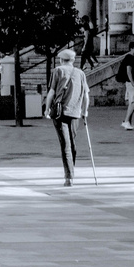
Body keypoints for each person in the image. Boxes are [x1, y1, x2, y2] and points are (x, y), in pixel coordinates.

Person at [43, 48, 91, 186]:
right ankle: (71, 171)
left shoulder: (58, 71)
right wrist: (85, 111)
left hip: (60, 112)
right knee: (71, 142)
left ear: (61, 59)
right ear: (73, 60)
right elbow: (86, 94)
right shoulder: (81, 73)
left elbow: (51, 92)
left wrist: (47, 108)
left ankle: (69, 177)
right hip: (75, 112)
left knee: (65, 144)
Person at [117, 50, 134, 130]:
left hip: (129, 82)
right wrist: (133, 82)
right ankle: (126, 121)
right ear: (131, 48)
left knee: (132, 102)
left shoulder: (129, 57)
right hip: (131, 83)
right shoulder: (130, 57)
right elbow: (129, 71)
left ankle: (128, 123)